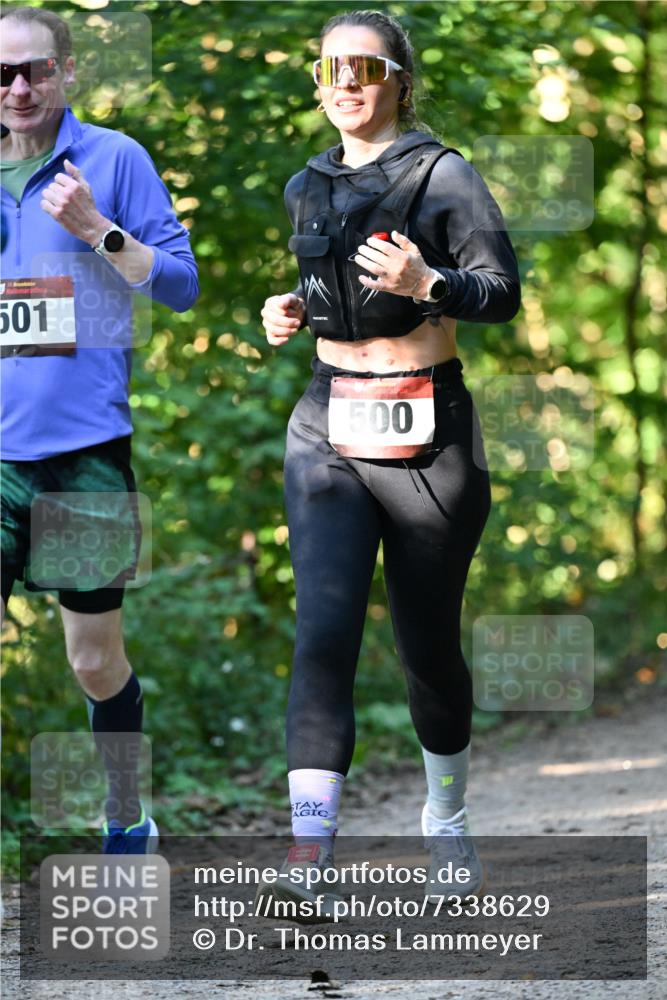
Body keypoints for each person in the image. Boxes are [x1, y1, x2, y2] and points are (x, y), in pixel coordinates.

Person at [258, 9, 520, 911]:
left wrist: (430, 283)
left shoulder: (444, 175)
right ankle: (309, 856)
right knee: (322, 635)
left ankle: (446, 823)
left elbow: (501, 293)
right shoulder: (306, 184)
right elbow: (329, 286)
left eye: (364, 68)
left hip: (427, 433)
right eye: (328, 67)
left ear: (399, 81)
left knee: (425, 648)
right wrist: (291, 309)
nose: (344, 82)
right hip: (327, 425)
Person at [0, 7, 198, 852]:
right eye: (2, 74)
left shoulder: (114, 159)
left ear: (68, 72)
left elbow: (181, 284)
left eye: (35, 70)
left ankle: (126, 816)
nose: (18, 88)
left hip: (83, 454)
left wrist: (97, 229)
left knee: (92, 660)